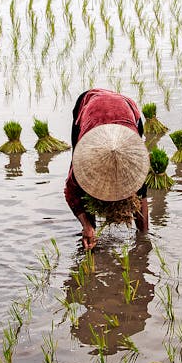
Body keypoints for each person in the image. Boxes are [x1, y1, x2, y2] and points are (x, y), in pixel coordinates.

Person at [65, 88, 151, 251]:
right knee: (82, 187)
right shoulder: (85, 157)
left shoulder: (136, 160)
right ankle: (91, 232)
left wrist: (144, 238)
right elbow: (71, 192)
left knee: (137, 185)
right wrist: (86, 225)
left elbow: (141, 192)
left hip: (126, 107)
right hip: (90, 104)